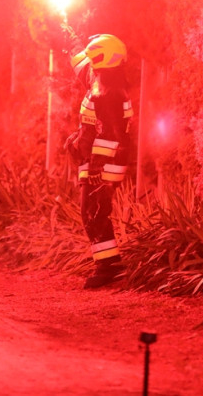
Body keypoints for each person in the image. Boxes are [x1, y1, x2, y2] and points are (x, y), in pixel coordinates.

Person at [64, 33, 133, 289]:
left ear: (104, 58)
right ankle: (107, 265)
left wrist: (96, 168)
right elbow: (80, 66)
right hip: (96, 160)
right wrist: (67, 33)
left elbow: (111, 135)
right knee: (92, 212)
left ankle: (108, 268)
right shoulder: (100, 81)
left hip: (104, 163)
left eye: (94, 57)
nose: (90, 62)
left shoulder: (110, 93)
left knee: (94, 212)